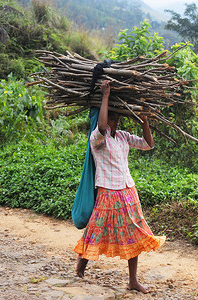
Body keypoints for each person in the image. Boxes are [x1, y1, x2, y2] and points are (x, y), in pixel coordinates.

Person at [73, 80, 166, 293]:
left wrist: (144, 122)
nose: (114, 122)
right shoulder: (97, 139)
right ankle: (80, 268)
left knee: (134, 232)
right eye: (112, 117)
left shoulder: (123, 137)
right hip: (107, 191)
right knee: (95, 230)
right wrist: (105, 96)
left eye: (116, 118)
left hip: (127, 190)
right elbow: (103, 127)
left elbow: (148, 144)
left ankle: (133, 280)